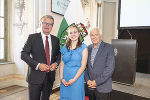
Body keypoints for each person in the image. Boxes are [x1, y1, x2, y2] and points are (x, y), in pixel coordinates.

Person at [21, 15, 61, 100]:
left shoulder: (56, 40)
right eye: (45, 23)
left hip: (50, 77)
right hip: (35, 77)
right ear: (40, 24)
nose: (47, 25)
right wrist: (38, 65)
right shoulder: (32, 38)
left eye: (50, 24)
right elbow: (23, 54)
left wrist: (56, 63)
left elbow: (59, 55)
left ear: (52, 26)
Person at [84, 27, 115, 100]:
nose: (94, 37)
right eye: (92, 35)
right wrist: (87, 80)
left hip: (103, 88)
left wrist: (96, 82)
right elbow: (85, 67)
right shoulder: (88, 48)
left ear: (100, 36)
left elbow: (110, 68)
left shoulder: (109, 48)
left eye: (96, 35)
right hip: (90, 87)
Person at [59, 25, 88, 100]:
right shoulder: (64, 47)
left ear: (78, 33)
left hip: (77, 78)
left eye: (75, 32)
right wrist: (61, 78)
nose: (73, 35)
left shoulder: (84, 48)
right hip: (65, 78)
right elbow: (62, 64)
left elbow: (83, 67)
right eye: (70, 33)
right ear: (68, 35)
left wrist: (74, 79)